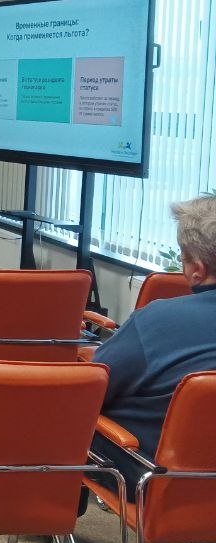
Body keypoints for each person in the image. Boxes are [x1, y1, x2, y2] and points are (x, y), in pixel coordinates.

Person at [91, 194, 216, 499]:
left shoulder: (157, 320)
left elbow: (90, 389)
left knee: (63, 416)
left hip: (160, 480)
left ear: (197, 269)